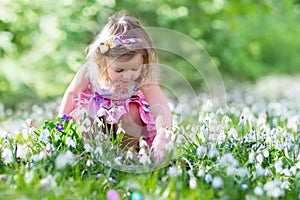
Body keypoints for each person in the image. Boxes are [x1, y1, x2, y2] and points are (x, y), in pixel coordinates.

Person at [59, 13, 172, 164]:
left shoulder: (144, 75)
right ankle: (92, 153)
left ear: (144, 60)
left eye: (134, 69)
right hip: (98, 120)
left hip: (126, 124)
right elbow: (73, 93)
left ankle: (128, 155)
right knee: (85, 113)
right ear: (102, 62)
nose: (127, 76)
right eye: (119, 70)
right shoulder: (90, 70)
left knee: (132, 112)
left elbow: (160, 107)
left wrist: (163, 137)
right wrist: (61, 128)